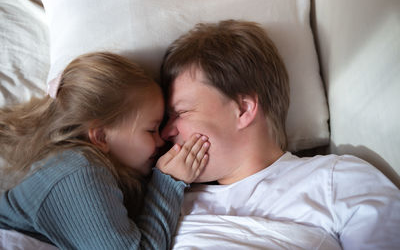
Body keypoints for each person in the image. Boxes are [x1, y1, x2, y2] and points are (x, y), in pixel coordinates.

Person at [159, 20, 400, 249]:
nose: (166, 132)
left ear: (243, 109)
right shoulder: (165, 206)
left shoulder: (336, 181)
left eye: (181, 112)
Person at [0, 52, 210, 249]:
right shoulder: (77, 173)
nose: (161, 137)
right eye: (151, 129)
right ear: (100, 137)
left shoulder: (85, 166)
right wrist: (168, 182)